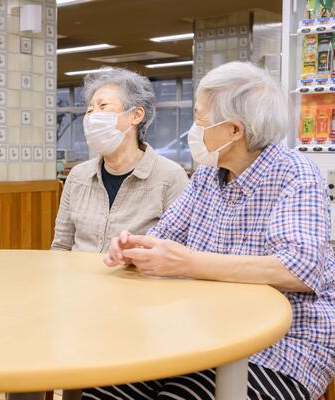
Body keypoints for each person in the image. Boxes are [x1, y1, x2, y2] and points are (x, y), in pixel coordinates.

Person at [90, 62, 335, 400]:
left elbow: (301, 269)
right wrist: (135, 248)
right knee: (102, 386)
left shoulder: (295, 174)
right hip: (201, 330)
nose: (194, 129)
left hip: (281, 346)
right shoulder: (208, 175)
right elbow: (166, 236)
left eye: (201, 120)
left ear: (234, 130)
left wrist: (188, 263)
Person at [51, 67, 189, 252]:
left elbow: (177, 252)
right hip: (79, 279)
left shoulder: (170, 177)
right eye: (90, 109)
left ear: (136, 115)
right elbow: (61, 245)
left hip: (137, 279)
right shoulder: (78, 176)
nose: (92, 116)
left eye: (103, 106)